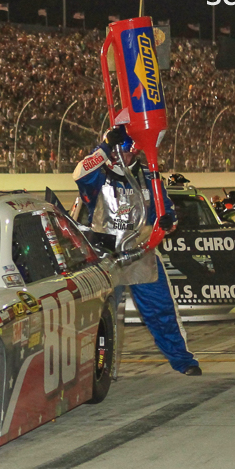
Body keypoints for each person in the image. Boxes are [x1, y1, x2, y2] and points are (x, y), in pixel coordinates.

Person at [74, 126, 202, 376]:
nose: (120, 155)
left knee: (162, 310)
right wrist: (104, 146)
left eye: (125, 149)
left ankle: (183, 360)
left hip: (140, 254)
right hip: (105, 259)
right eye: (117, 149)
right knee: (97, 318)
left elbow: (168, 215)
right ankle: (92, 372)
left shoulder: (150, 177)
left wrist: (168, 223)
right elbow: (80, 173)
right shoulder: (98, 175)